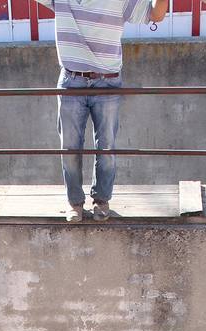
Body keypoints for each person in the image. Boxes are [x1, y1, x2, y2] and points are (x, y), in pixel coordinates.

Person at [51, 0, 167, 222]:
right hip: (71, 79)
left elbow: (156, 14)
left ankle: (101, 200)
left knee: (106, 146)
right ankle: (74, 202)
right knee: (69, 147)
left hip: (108, 81)